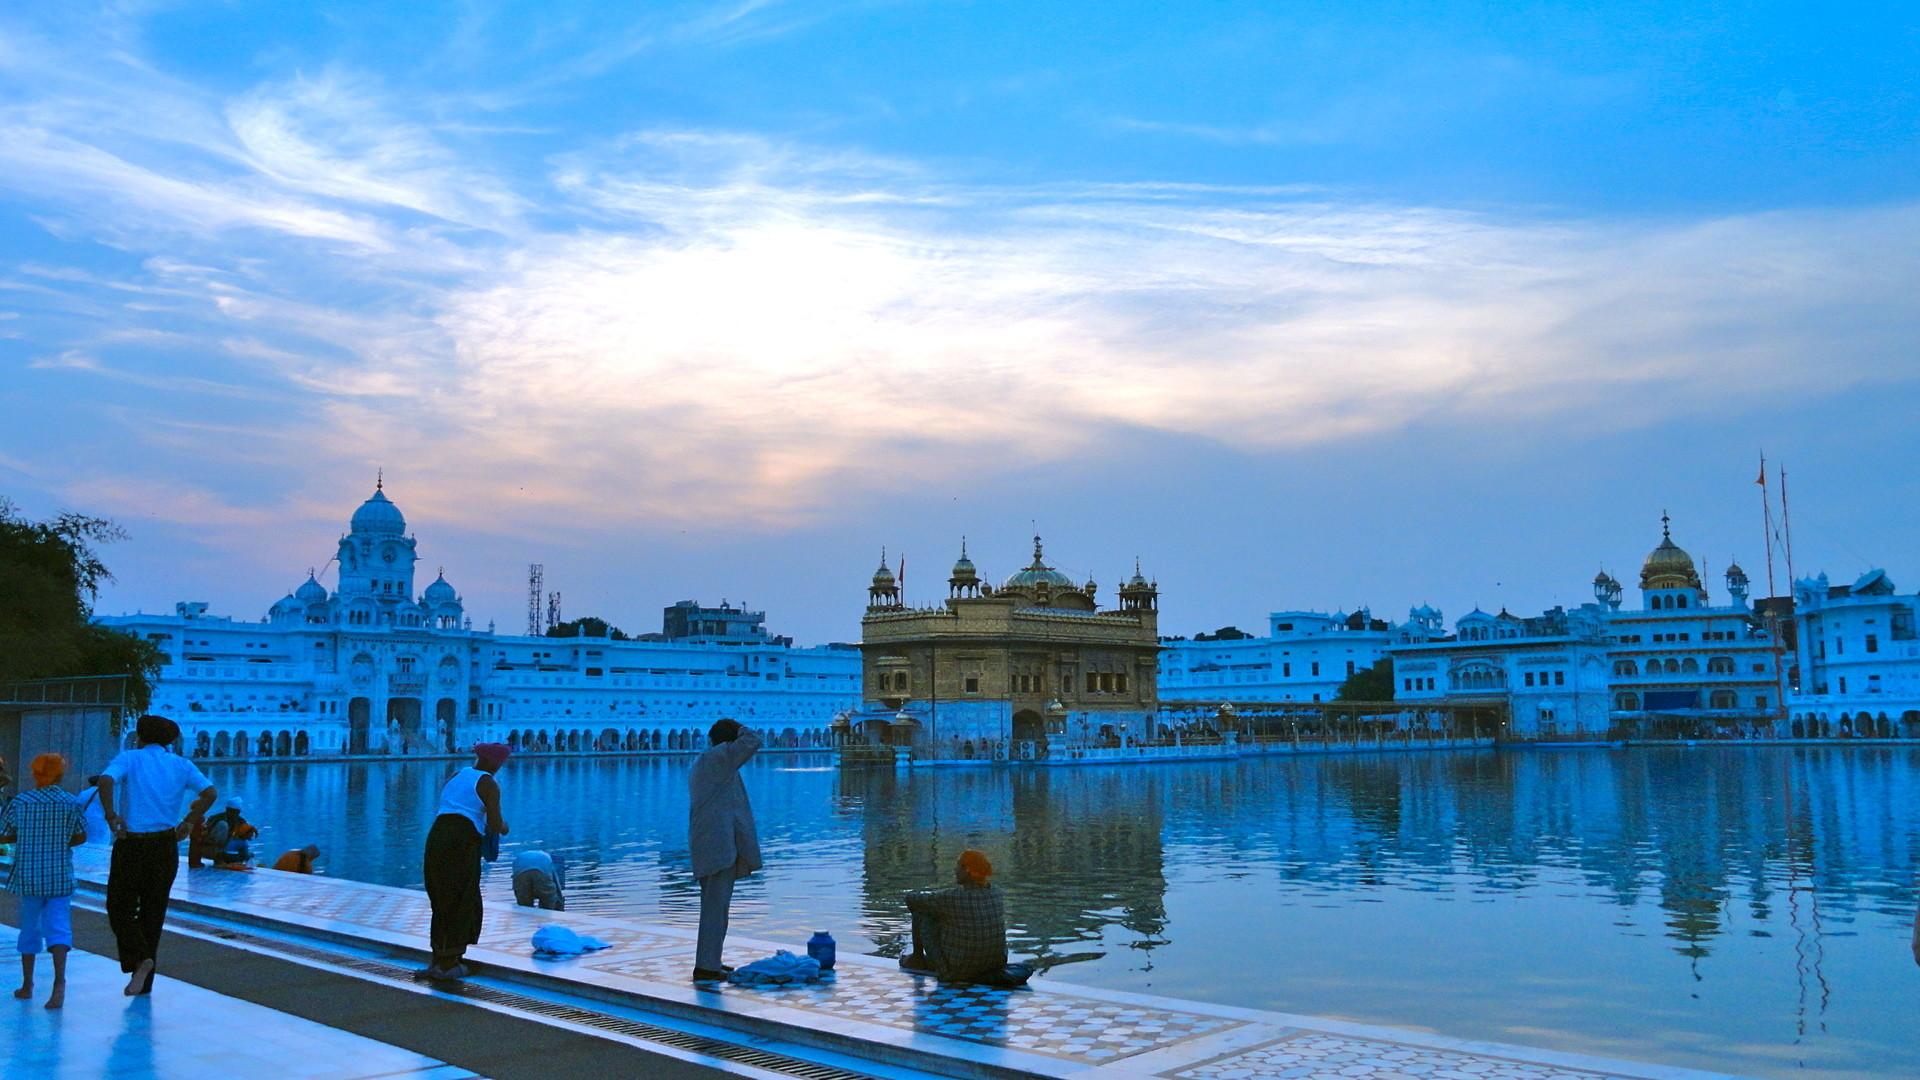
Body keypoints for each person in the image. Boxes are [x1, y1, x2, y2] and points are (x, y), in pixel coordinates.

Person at [98, 714, 217, 996]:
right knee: (154, 913)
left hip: (131, 843)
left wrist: (111, 816)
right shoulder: (181, 765)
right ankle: (144, 980)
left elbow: (105, 781)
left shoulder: (130, 758)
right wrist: (189, 820)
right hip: (165, 846)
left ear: (141, 737)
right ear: (170, 740)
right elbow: (211, 793)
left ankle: (139, 959)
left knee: (119, 907)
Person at [0, 754, 88, 1010]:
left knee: (29, 928)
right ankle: (59, 984)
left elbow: (4, 836)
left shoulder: (21, 802)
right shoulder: (70, 802)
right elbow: (81, 835)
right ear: (61, 775)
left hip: (29, 875)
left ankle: (27, 984)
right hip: (60, 874)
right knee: (59, 928)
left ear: (35, 774)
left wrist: (26, 839)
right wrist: (60, 843)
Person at [422, 743, 509, 980]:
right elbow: (494, 823)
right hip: (461, 840)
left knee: (440, 898)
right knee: (462, 898)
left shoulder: (457, 774)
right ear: (496, 763)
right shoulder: (488, 783)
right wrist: (504, 828)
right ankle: (450, 965)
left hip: (437, 835)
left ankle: (437, 961)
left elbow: (452, 805)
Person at [688, 718, 761, 982]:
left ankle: (711, 960)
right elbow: (753, 740)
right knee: (714, 908)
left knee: (716, 908)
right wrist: (737, 725)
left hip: (715, 843)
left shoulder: (713, 762)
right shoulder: (717, 758)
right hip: (716, 845)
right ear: (728, 743)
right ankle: (706, 966)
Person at [902, 849, 1028, 986]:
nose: (955, 870)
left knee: (922, 912)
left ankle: (917, 959)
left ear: (967, 870)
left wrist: (931, 898)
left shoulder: (952, 897)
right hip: (995, 965)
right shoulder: (996, 892)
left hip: (958, 970)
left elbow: (911, 899)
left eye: (958, 866)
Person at [190, 798, 257, 869]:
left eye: (235, 812)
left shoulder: (240, 821)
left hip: (225, 850)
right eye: (231, 811)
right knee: (223, 825)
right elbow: (203, 835)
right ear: (227, 809)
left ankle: (238, 859)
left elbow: (247, 837)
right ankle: (219, 858)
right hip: (209, 849)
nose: (233, 814)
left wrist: (249, 832)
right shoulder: (216, 819)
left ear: (238, 812)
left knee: (243, 844)